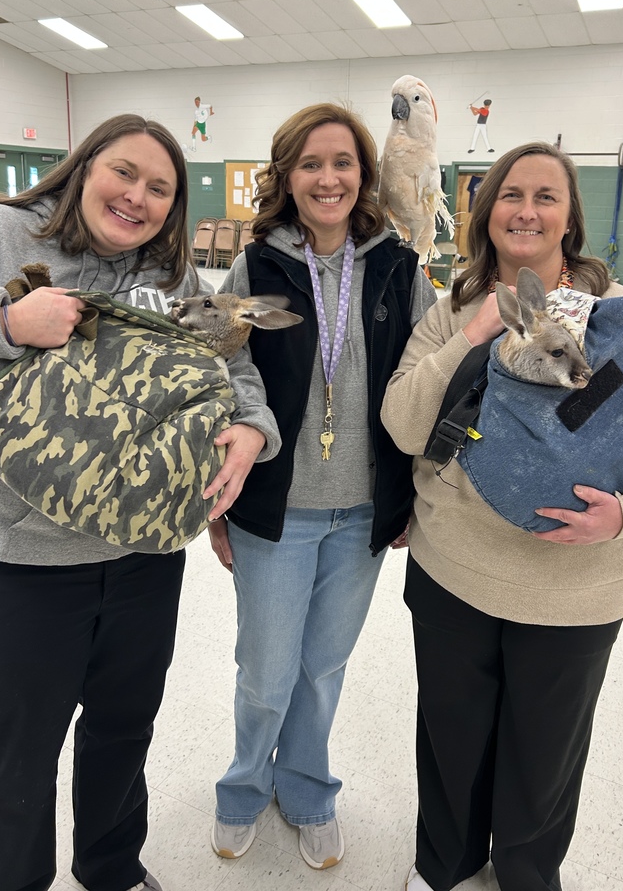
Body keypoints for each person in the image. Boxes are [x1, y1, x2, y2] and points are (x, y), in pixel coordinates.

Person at [0, 114, 278, 891]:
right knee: (16, 751)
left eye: (160, 188)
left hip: (140, 551)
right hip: (15, 558)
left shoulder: (169, 278)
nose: (137, 197)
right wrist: (0, 322)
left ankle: (111, 865)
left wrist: (250, 429)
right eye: (123, 173)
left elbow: (231, 359)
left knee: (123, 730)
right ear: (83, 167)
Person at [380, 141, 623, 891]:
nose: (526, 210)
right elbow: (403, 426)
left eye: (546, 196)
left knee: (545, 755)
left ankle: (527, 876)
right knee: (452, 739)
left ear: (570, 218)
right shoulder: (453, 312)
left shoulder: (620, 322)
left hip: (574, 591)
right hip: (453, 573)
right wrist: (471, 337)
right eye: (510, 194)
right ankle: (446, 866)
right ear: (485, 212)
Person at [207, 103, 437, 869]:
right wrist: (219, 493)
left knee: (321, 670)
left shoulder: (399, 268)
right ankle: (242, 789)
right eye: (311, 163)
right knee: (267, 673)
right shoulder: (258, 265)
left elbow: (425, 379)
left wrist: (410, 494)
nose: (328, 177)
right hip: (275, 508)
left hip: (363, 510)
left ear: (363, 175)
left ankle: (307, 791)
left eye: (342, 162)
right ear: (288, 177)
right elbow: (226, 374)